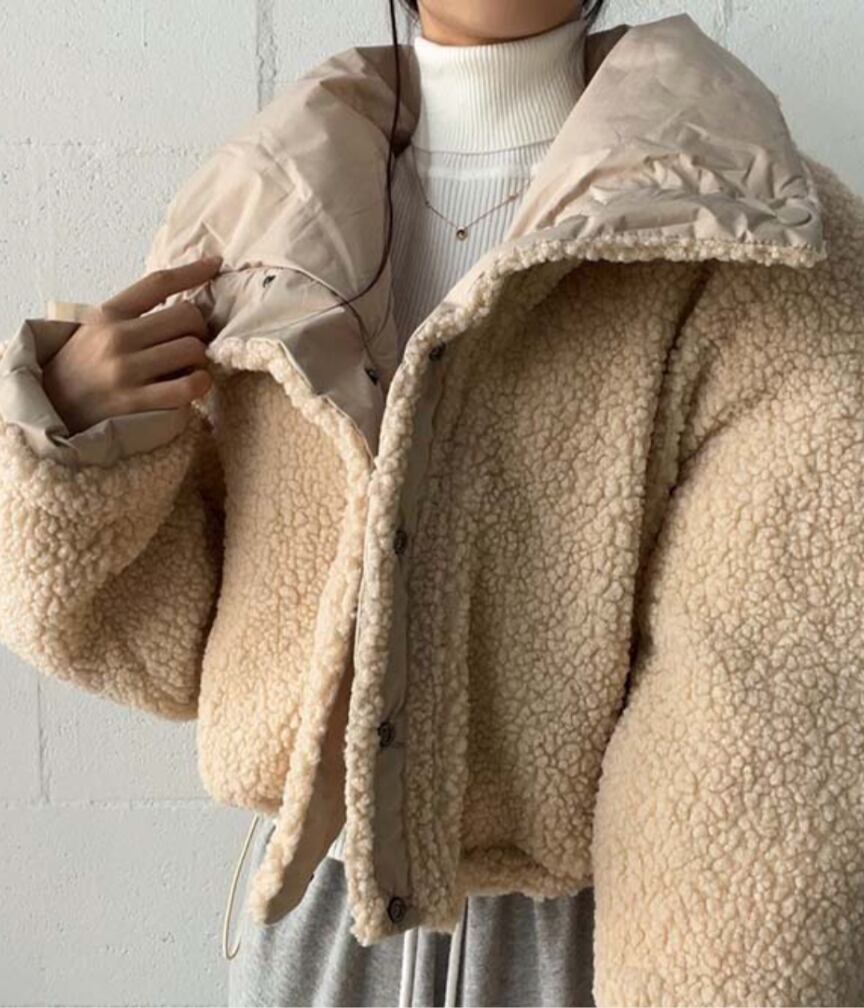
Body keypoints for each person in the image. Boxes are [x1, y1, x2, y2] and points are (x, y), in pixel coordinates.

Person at [1, 0, 862, 1005]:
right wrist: (79, 438)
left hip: (605, 940)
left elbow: (773, 693)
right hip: (312, 927)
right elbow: (180, 645)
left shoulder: (760, 233)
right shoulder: (251, 215)